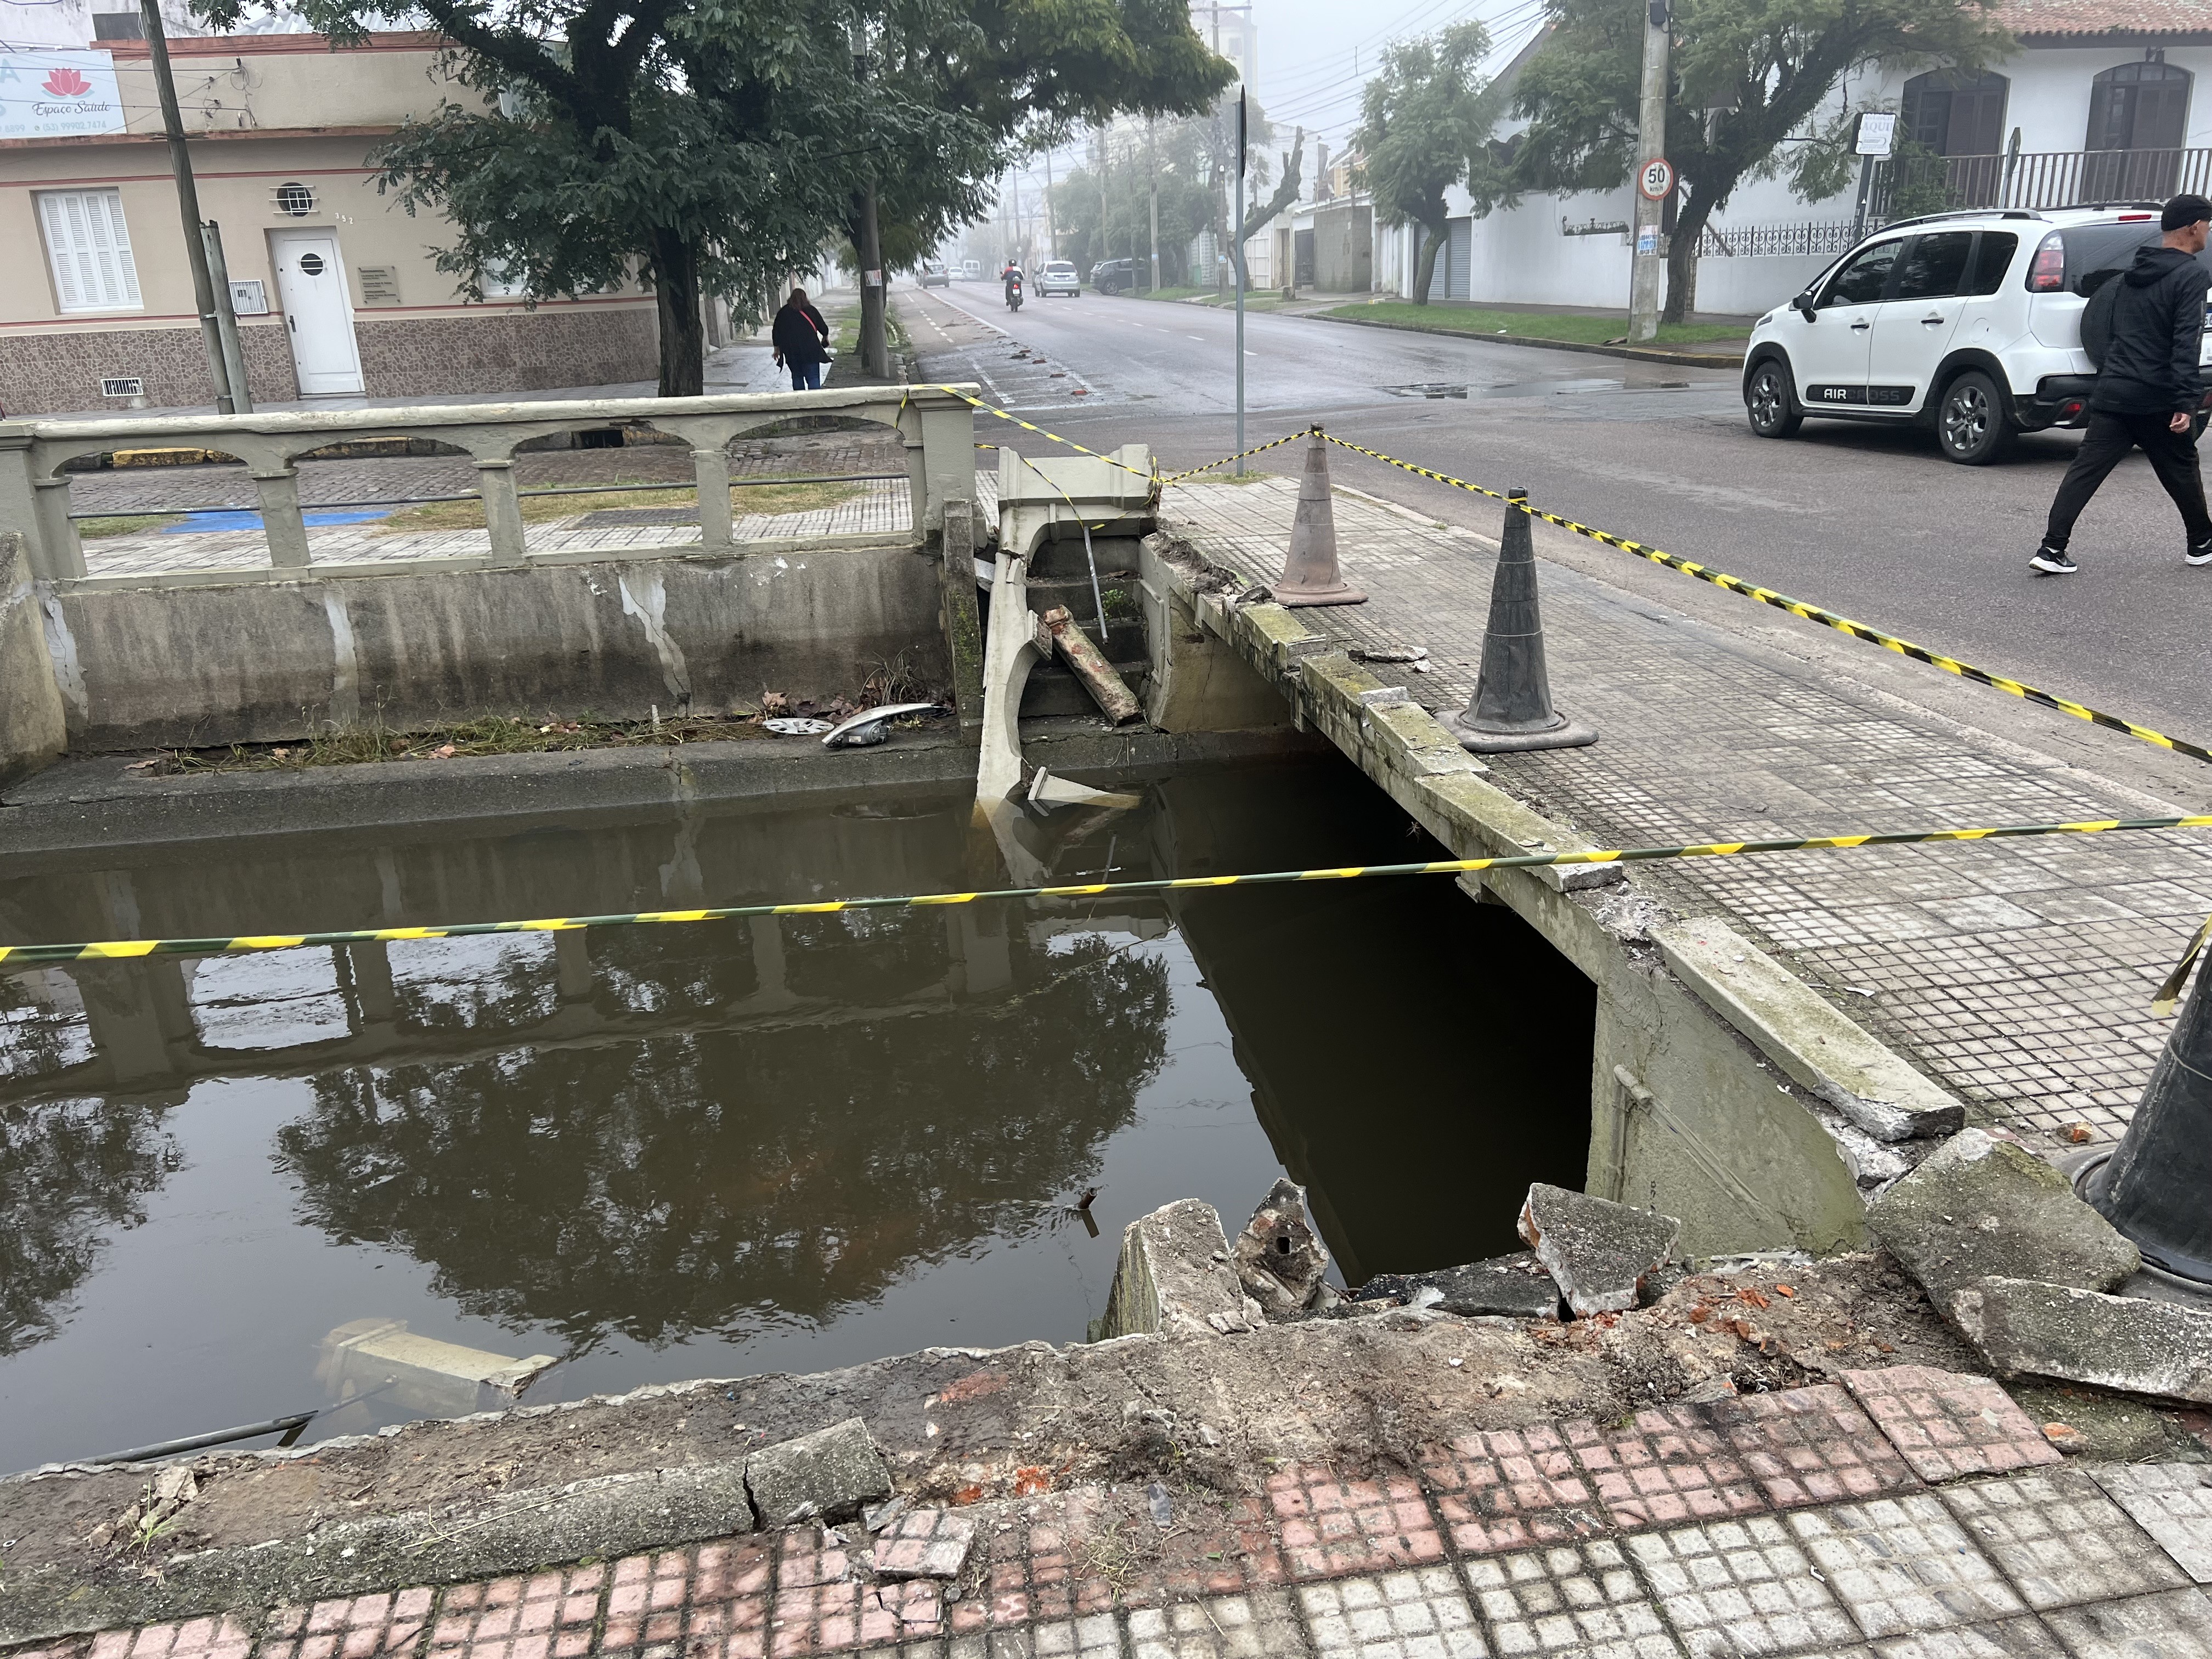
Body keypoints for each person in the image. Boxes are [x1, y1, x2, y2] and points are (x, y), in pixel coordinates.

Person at [2032, 193, 2212, 575]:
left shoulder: (2133, 272)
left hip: (2114, 388)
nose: (2208, 232)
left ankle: (2051, 548)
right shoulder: (2192, 275)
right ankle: (2201, 543)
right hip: (2156, 395)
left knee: (2085, 471)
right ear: (2194, 227)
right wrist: (2186, 400)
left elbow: (2113, 331)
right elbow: (2186, 340)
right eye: (2208, 225)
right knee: (2181, 467)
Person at [771, 287, 831, 391]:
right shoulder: (811, 310)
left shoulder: (783, 312)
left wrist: (777, 349)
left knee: (797, 377)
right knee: (813, 378)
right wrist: (825, 337)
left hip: (792, 352)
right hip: (811, 351)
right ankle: (815, 399)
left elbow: (776, 331)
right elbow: (823, 328)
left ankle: (800, 399)